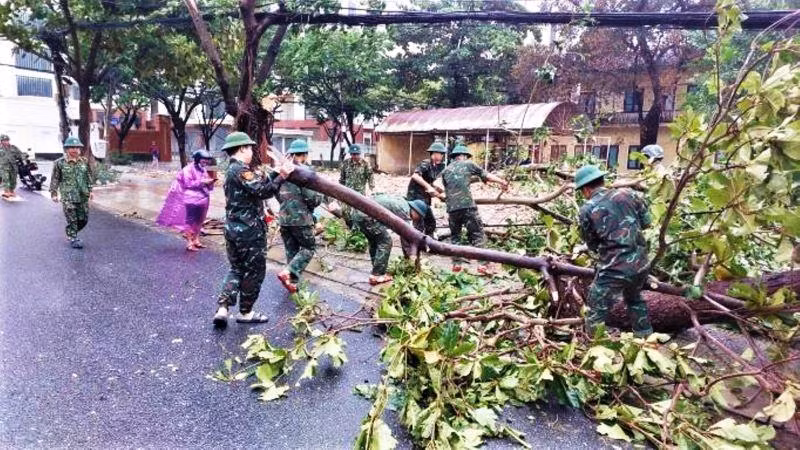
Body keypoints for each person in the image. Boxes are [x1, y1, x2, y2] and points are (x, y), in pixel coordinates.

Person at [213, 132, 294, 328]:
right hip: (248, 232)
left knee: (236, 268)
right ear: (242, 148)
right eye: (249, 148)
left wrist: (276, 172)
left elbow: (258, 183)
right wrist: (283, 176)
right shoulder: (241, 170)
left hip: (232, 229)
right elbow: (263, 190)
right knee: (254, 271)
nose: (251, 151)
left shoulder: (232, 170)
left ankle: (223, 308)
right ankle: (246, 312)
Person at [575, 165, 654, 338]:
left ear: (586, 189)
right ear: (602, 181)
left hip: (615, 269)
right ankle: (646, 339)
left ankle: (595, 346)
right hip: (641, 264)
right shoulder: (629, 194)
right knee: (634, 299)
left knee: (595, 306)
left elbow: (592, 244)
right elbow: (647, 222)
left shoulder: (587, 209)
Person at [441, 144, 509, 274]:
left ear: (454, 157)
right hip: (467, 207)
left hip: (452, 209)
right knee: (477, 234)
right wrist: (502, 182)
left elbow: (451, 186)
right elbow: (486, 175)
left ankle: (456, 264)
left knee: (455, 237)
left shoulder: (445, 171)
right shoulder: (469, 164)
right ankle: (482, 265)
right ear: (464, 156)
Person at [277, 139, 324, 293]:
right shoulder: (303, 173)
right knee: (309, 248)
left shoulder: (282, 171)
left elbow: (276, 193)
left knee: (292, 250)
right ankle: (288, 272)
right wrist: (320, 196)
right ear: (304, 155)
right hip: (301, 220)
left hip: (284, 219)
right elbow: (313, 199)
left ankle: (292, 282)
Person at [348, 195, 428, 285]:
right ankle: (377, 275)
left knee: (374, 241)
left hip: (358, 214)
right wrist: (411, 258)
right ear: (415, 211)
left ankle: (376, 270)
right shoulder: (404, 211)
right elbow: (405, 237)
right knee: (386, 242)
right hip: (367, 217)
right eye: (419, 217)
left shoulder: (401, 202)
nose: (417, 219)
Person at [156, 150, 216, 251]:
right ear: (197, 159)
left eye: (207, 161)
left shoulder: (203, 170)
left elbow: (208, 185)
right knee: (190, 221)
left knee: (200, 221)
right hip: (191, 199)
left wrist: (211, 182)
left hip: (204, 199)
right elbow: (188, 184)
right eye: (204, 160)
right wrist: (202, 182)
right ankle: (189, 242)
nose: (206, 163)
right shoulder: (188, 169)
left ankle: (196, 240)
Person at [50, 137, 94, 249]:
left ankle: (71, 230)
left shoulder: (84, 161)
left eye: (77, 147)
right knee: (72, 218)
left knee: (84, 219)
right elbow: (55, 179)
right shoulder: (59, 163)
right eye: (72, 147)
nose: (75, 150)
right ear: (66, 149)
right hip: (68, 195)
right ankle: (73, 237)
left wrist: (91, 191)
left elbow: (88, 177)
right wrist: (54, 193)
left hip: (82, 195)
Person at [406, 140, 446, 237]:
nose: (442, 156)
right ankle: (417, 244)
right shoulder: (426, 163)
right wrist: (429, 187)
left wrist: (439, 192)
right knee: (420, 223)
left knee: (430, 223)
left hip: (425, 198)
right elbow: (415, 176)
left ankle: (429, 242)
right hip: (416, 197)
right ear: (435, 153)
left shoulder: (436, 167)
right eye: (441, 154)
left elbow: (430, 182)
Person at [0, 134, 23, 199]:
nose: (6, 142)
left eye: (7, 140)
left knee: (13, 179)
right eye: (4, 140)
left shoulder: (14, 147)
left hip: (13, 166)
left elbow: (20, 154)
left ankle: (11, 190)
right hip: (3, 167)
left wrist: (23, 158)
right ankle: (6, 191)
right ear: (1, 141)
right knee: (6, 179)